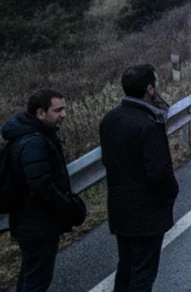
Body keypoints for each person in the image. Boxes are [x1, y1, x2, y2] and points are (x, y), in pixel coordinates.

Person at [99, 65, 180, 292]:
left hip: (119, 208)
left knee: (125, 267)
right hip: (147, 212)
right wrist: (172, 191)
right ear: (150, 89)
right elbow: (159, 173)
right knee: (143, 273)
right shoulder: (149, 124)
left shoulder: (110, 119)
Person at [1, 89, 87, 292]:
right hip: (38, 223)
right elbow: (41, 186)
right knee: (36, 281)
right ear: (40, 113)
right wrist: (66, 208)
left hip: (30, 221)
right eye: (58, 110)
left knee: (31, 275)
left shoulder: (27, 135)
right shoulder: (33, 142)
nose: (63, 115)